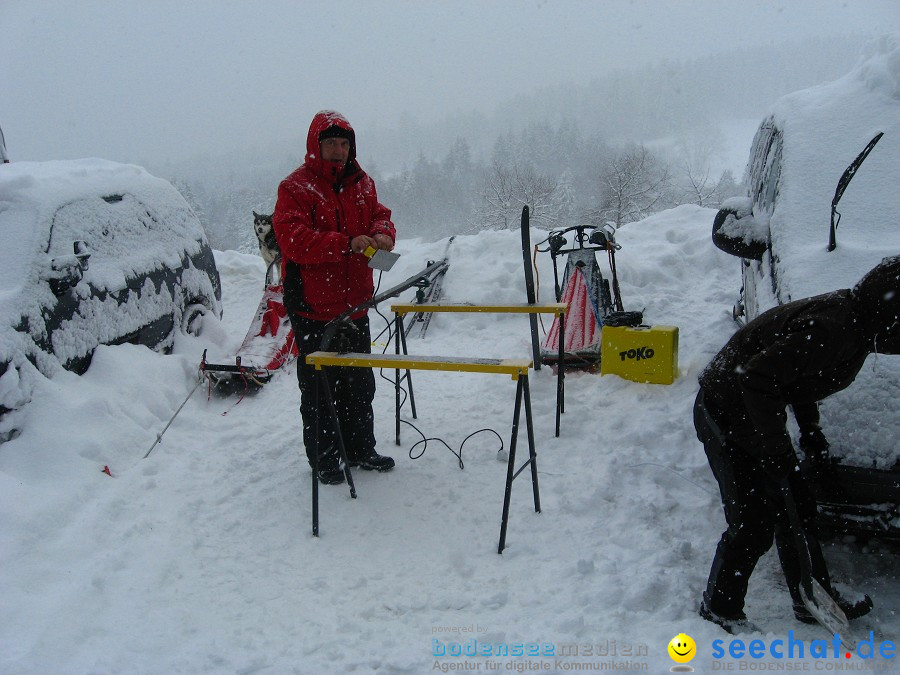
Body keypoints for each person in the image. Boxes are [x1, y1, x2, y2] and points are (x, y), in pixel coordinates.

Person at [694, 255, 900, 633]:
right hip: (725, 409)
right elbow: (757, 377)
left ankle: (811, 596)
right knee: (753, 519)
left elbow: (798, 378)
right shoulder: (834, 330)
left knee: (798, 503)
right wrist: (775, 447)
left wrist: (811, 433)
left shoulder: (853, 326)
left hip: (752, 410)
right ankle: (720, 608)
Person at [273, 110, 397, 485]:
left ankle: (360, 449)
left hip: (354, 304)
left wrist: (382, 235)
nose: (339, 151)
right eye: (331, 144)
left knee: (359, 382)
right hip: (312, 306)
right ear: (317, 146)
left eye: (344, 144)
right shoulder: (295, 188)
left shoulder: (363, 183)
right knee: (320, 387)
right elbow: (293, 240)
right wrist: (345, 244)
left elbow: (380, 215)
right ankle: (325, 459)